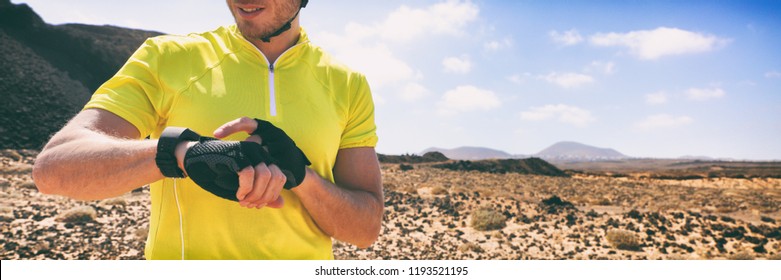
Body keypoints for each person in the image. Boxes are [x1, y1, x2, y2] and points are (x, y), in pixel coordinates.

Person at [32, 0, 383, 260]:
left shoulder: (346, 84)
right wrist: (180, 154)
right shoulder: (168, 57)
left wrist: (301, 176)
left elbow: (365, 230)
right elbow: (54, 169)